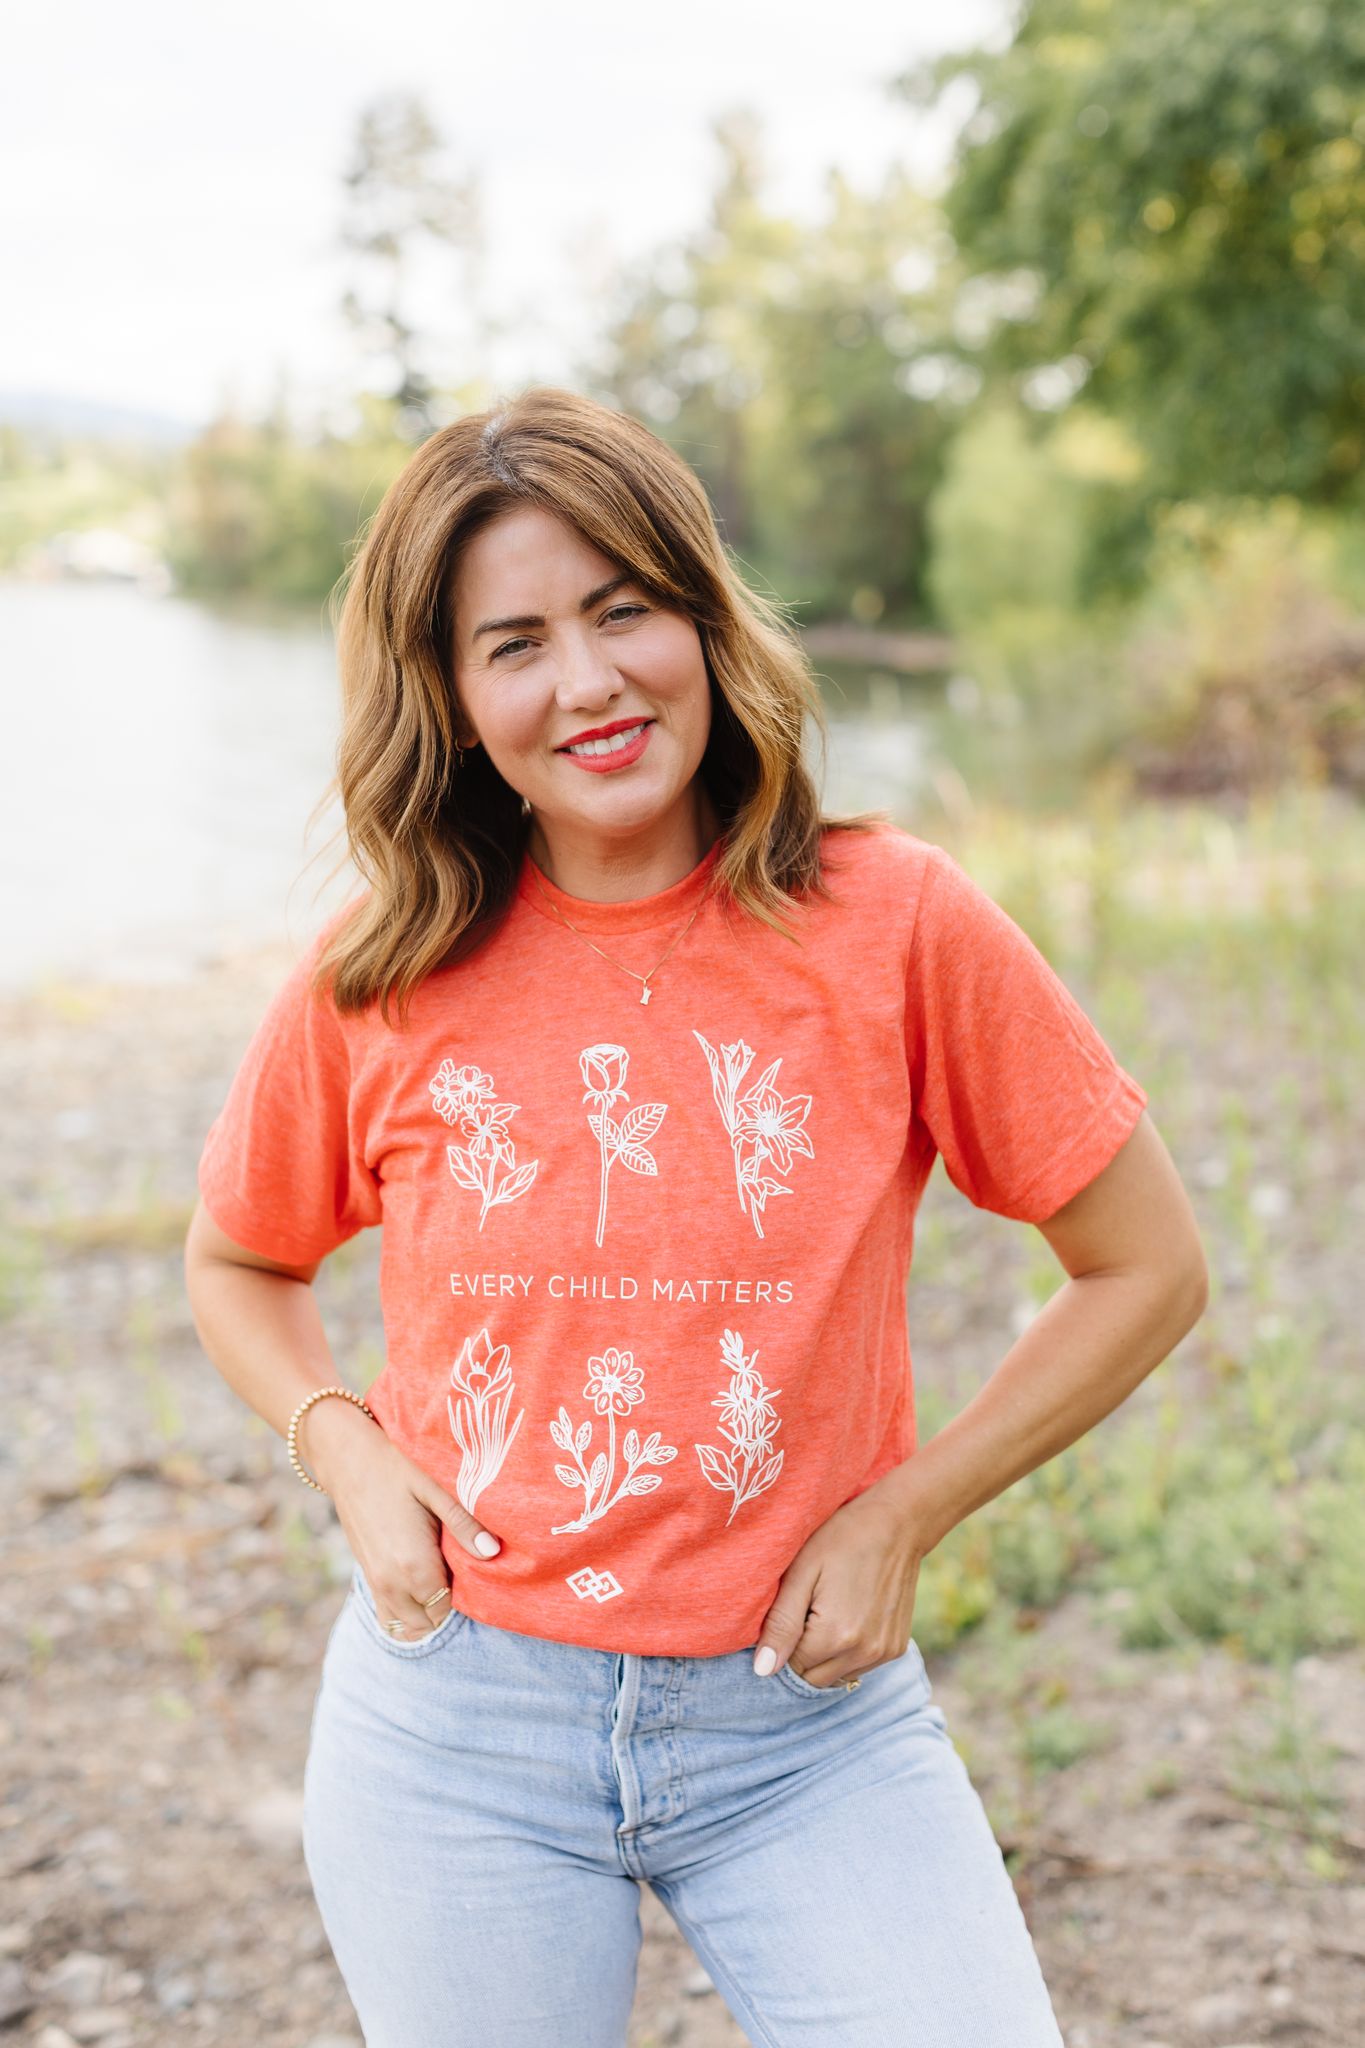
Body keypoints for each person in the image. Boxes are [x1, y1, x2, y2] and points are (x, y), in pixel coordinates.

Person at [183, 385, 1208, 2048]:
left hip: (805, 1733)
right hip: (459, 1733)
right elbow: (238, 1257)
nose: (583, 682)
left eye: (621, 611)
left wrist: (902, 1516)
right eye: (512, 644)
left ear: (702, 620)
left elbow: (1143, 1267)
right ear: (451, 700)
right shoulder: (384, 972)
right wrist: (343, 1448)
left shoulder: (896, 924)